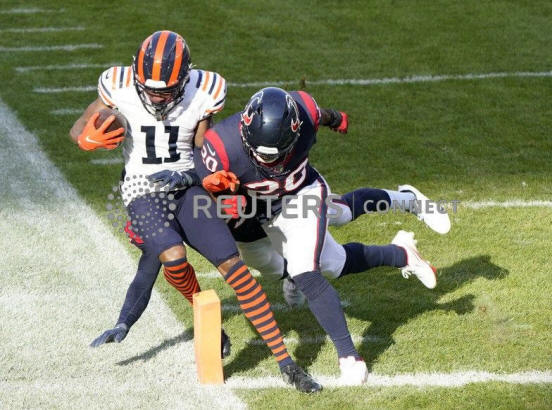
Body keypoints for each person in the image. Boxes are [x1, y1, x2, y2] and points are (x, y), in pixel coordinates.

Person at [69, 31, 321, 393]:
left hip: (188, 184)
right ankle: (211, 327)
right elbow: (80, 126)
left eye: (165, 90)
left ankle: (287, 363)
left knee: (235, 269)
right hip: (142, 188)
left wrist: (210, 172)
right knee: (172, 256)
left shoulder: (205, 90)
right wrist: (85, 137)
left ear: (184, 79)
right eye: (149, 89)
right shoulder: (118, 85)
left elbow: (204, 144)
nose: (155, 97)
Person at [193, 87, 450, 385]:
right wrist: (222, 196)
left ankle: (349, 356)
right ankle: (402, 253)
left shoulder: (304, 110)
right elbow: (202, 197)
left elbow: (321, 114)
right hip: (255, 211)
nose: (269, 163)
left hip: (301, 194)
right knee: (332, 263)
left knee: (310, 264)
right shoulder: (220, 147)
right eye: (260, 155)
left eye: (277, 154)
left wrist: (336, 118)